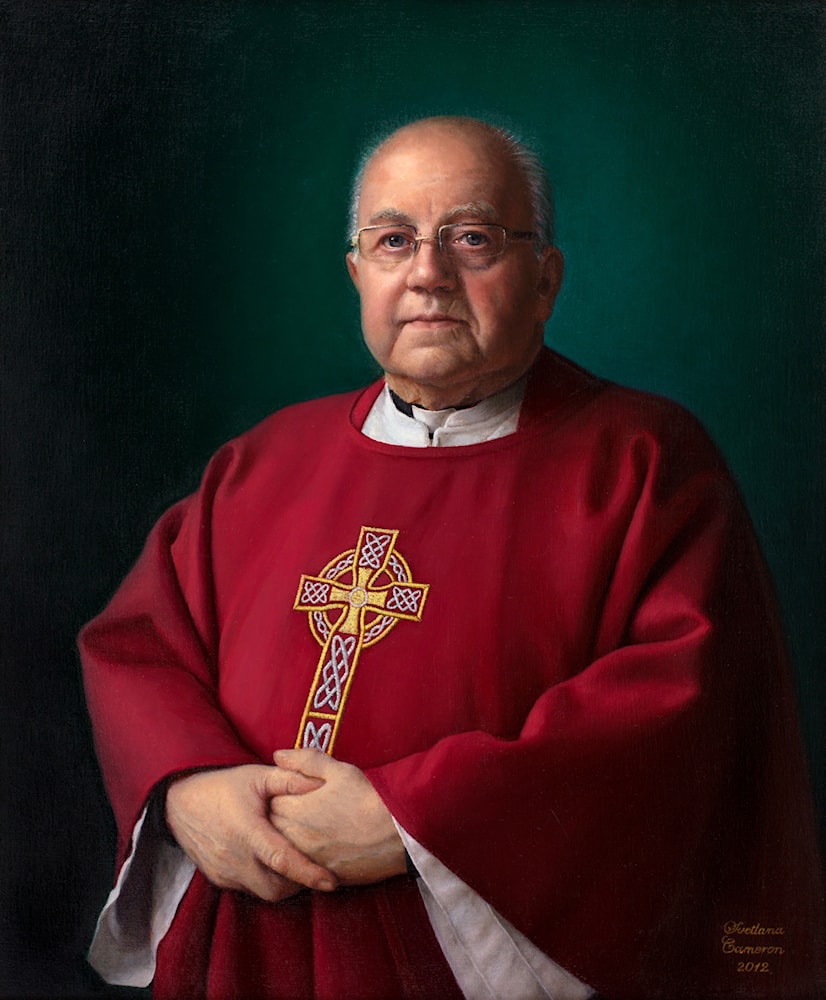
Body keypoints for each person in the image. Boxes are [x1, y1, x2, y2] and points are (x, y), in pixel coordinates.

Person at [79, 116, 824, 1000]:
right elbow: (140, 648)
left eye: (472, 238)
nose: (428, 273)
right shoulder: (261, 462)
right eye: (394, 241)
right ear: (358, 274)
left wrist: (415, 821)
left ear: (545, 278)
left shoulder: (645, 463)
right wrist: (188, 787)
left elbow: (680, 715)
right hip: (243, 946)